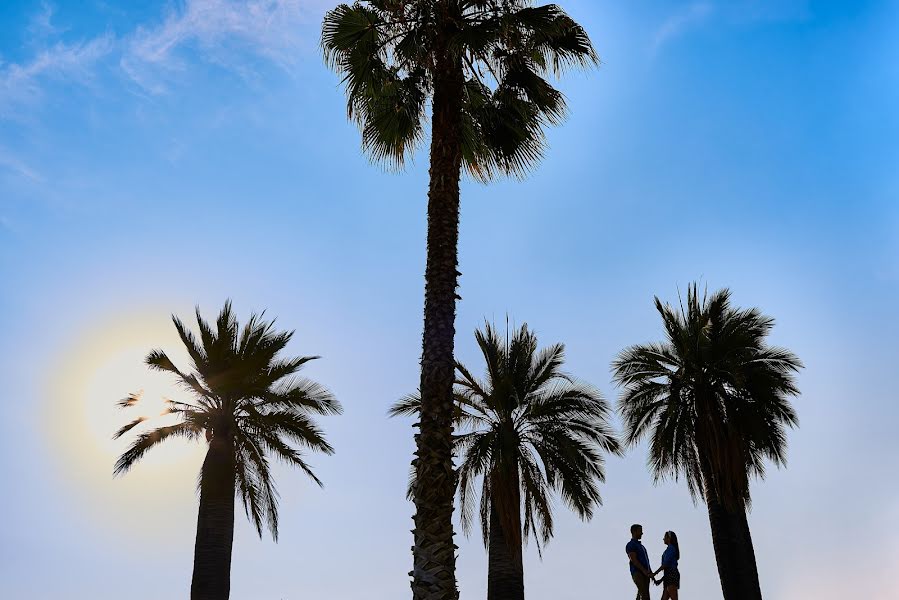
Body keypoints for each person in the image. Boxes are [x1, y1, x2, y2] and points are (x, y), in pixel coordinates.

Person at [626, 523, 654, 600]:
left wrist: (650, 572)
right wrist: (644, 570)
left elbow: (646, 561)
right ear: (634, 532)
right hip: (638, 572)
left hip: (646, 574)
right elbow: (634, 560)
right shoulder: (631, 545)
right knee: (644, 595)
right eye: (640, 531)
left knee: (643, 594)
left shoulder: (641, 546)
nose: (642, 533)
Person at [652, 530, 681, 600]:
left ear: (669, 538)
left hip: (671, 575)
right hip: (668, 575)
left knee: (674, 597)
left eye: (665, 537)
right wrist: (661, 580)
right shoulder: (669, 549)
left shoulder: (671, 549)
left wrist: (654, 573)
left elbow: (666, 564)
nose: (663, 539)